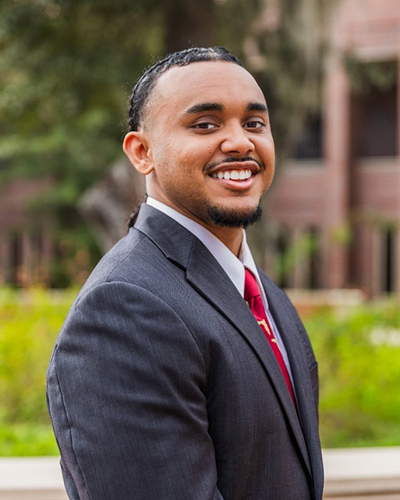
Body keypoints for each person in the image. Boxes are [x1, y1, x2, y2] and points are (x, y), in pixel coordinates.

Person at [47, 46, 324, 500]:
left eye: (254, 123)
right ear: (142, 152)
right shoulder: (123, 308)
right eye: (205, 125)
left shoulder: (265, 294)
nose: (240, 142)